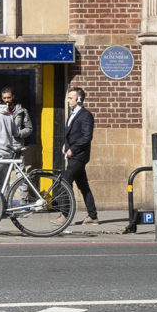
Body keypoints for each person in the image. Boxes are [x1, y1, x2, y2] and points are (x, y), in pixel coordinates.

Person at [61, 86, 98, 223]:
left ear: (79, 99)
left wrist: (73, 148)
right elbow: (71, 133)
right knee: (83, 186)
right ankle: (93, 216)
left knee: (65, 180)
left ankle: (65, 215)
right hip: (72, 155)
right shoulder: (72, 114)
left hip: (79, 156)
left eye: (71, 98)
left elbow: (87, 137)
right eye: (68, 98)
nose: (68, 100)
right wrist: (66, 145)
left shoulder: (85, 115)